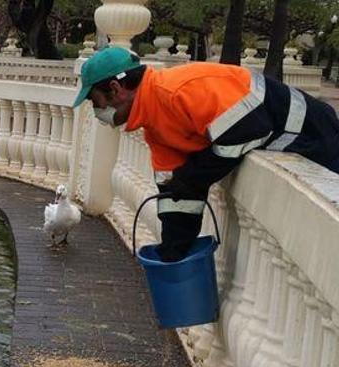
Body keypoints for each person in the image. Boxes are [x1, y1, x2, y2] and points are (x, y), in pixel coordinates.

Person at [73, 47, 339, 262]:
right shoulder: (154, 122)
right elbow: (175, 194)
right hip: (294, 141)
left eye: (96, 102)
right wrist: (172, 252)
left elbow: (248, 130)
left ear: (115, 89)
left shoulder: (181, 90)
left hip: (318, 138)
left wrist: (192, 176)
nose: (98, 112)